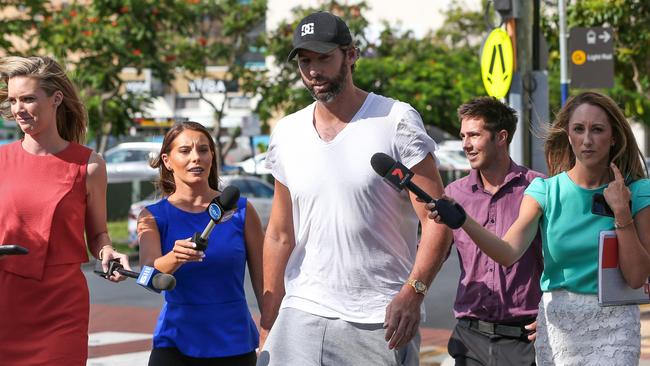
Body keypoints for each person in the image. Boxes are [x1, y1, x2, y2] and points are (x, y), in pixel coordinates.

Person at [257, 11, 451, 366]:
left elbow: (437, 219)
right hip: (302, 309)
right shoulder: (287, 132)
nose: (313, 70)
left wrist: (414, 293)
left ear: (351, 55)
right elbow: (280, 234)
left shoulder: (396, 120)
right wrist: (270, 321)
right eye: (305, 61)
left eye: (324, 58)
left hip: (379, 318)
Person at [428, 91, 650, 365]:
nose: (588, 140)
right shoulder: (544, 191)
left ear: (613, 136)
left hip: (615, 330)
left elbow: (638, 277)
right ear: (568, 135)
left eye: (598, 130)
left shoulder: (637, 192)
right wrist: (464, 220)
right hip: (559, 329)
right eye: (579, 129)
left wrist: (621, 212)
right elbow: (508, 252)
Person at [0, 56, 131, 365]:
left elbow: (98, 233)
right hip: (5, 301)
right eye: (13, 100)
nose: (18, 109)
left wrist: (108, 251)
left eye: (28, 99)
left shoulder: (90, 165)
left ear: (56, 98)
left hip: (61, 307)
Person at [137, 121, 264, 366]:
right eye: (185, 151)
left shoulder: (242, 211)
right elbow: (146, 276)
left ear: (212, 156)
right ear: (167, 160)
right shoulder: (152, 216)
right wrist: (175, 257)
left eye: (203, 150)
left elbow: (265, 282)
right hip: (175, 344)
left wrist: (270, 328)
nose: (196, 157)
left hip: (234, 343)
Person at [441, 97, 545, 365]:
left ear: (501, 137)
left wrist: (552, 314)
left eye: (474, 135)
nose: (465, 144)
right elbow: (432, 255)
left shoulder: (537, 188)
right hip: (469, 337)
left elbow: (560, 260)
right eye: (463, 135)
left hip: (525, 340)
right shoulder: (454, 193)